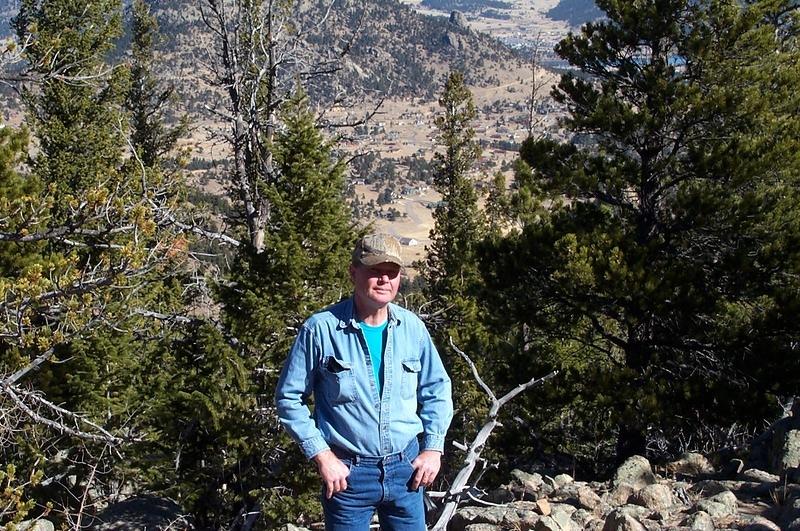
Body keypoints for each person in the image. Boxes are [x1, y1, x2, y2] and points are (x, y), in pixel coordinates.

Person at [275, 233, 453, 530]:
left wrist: (433, 448)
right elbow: (288, 398)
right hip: (348, 476)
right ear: (353, 272)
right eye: (374, 270)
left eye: (392, 272)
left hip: (407, 472)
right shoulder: (321, 330)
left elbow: (437, 389)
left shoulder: (413, 329)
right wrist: (322, 456)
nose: (384, 279)